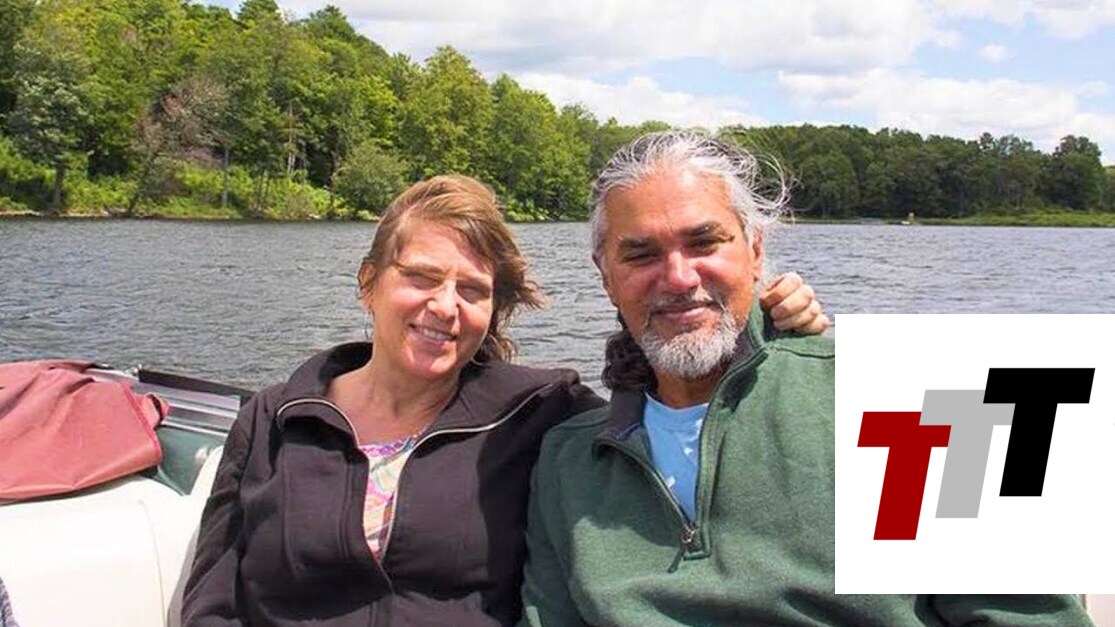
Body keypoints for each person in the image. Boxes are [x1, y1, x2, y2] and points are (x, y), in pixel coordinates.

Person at [181, 174, 827, 626]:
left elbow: (664, 386)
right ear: (369, 282)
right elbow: (213, 597)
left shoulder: (537, 415)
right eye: (420, 277)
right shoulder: (275, 417)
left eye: (472, 289)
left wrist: (771, 327)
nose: (444, 306)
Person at [519, 131, 1092, 626]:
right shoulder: (569, 459)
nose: (678, 277)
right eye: (641, 255)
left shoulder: (922, 402)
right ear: (605, 276)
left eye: (704, 242)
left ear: (755, 250)